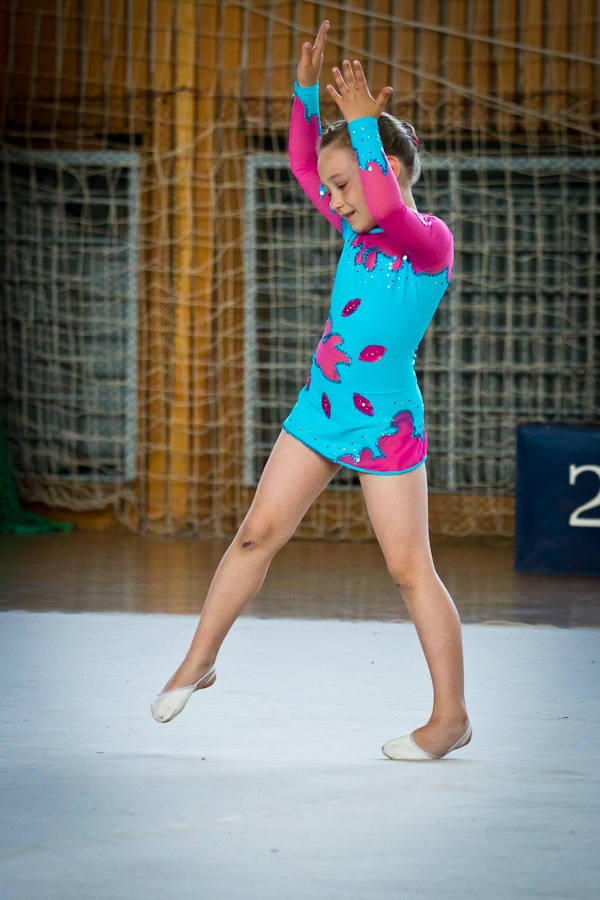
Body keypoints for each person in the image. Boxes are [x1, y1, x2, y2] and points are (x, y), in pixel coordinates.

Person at [151, 21, 471, 761]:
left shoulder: (427, 240)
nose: (333, 197)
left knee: (408, 568)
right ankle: (199, 660)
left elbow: (391, 207)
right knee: (256, 533)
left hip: (385, 423)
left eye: (345, 184)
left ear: (389, 167)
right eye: (332, 190)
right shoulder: (356, 230)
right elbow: (302, 162)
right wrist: (305, 94)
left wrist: (361, 126)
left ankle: (450, 716)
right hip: (320, 409)